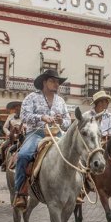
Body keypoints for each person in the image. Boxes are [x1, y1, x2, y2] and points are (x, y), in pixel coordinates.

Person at [13, 69, 71, 208]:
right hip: (37, 133)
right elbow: (24, 116)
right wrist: (41, 117)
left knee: (75, 153)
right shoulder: (31, 97)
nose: (56, 84)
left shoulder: (61, 100)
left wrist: (61, 121)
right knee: (23, 155)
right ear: (44, 82)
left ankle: (79, 189)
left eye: (58, 82)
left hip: (57, 134)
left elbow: (68, 120)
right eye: (53, 81)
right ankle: (20, 192)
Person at [0, 101, 24, 171]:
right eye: (16, 108)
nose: (17, 109)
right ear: (14, 108)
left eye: (19, 107)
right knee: (3, 147)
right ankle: (4, 163)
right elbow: (4, 127)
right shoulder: (10, 116)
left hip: (22, 136)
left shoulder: (25, 116)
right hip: (12, 137)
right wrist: (9, 133)